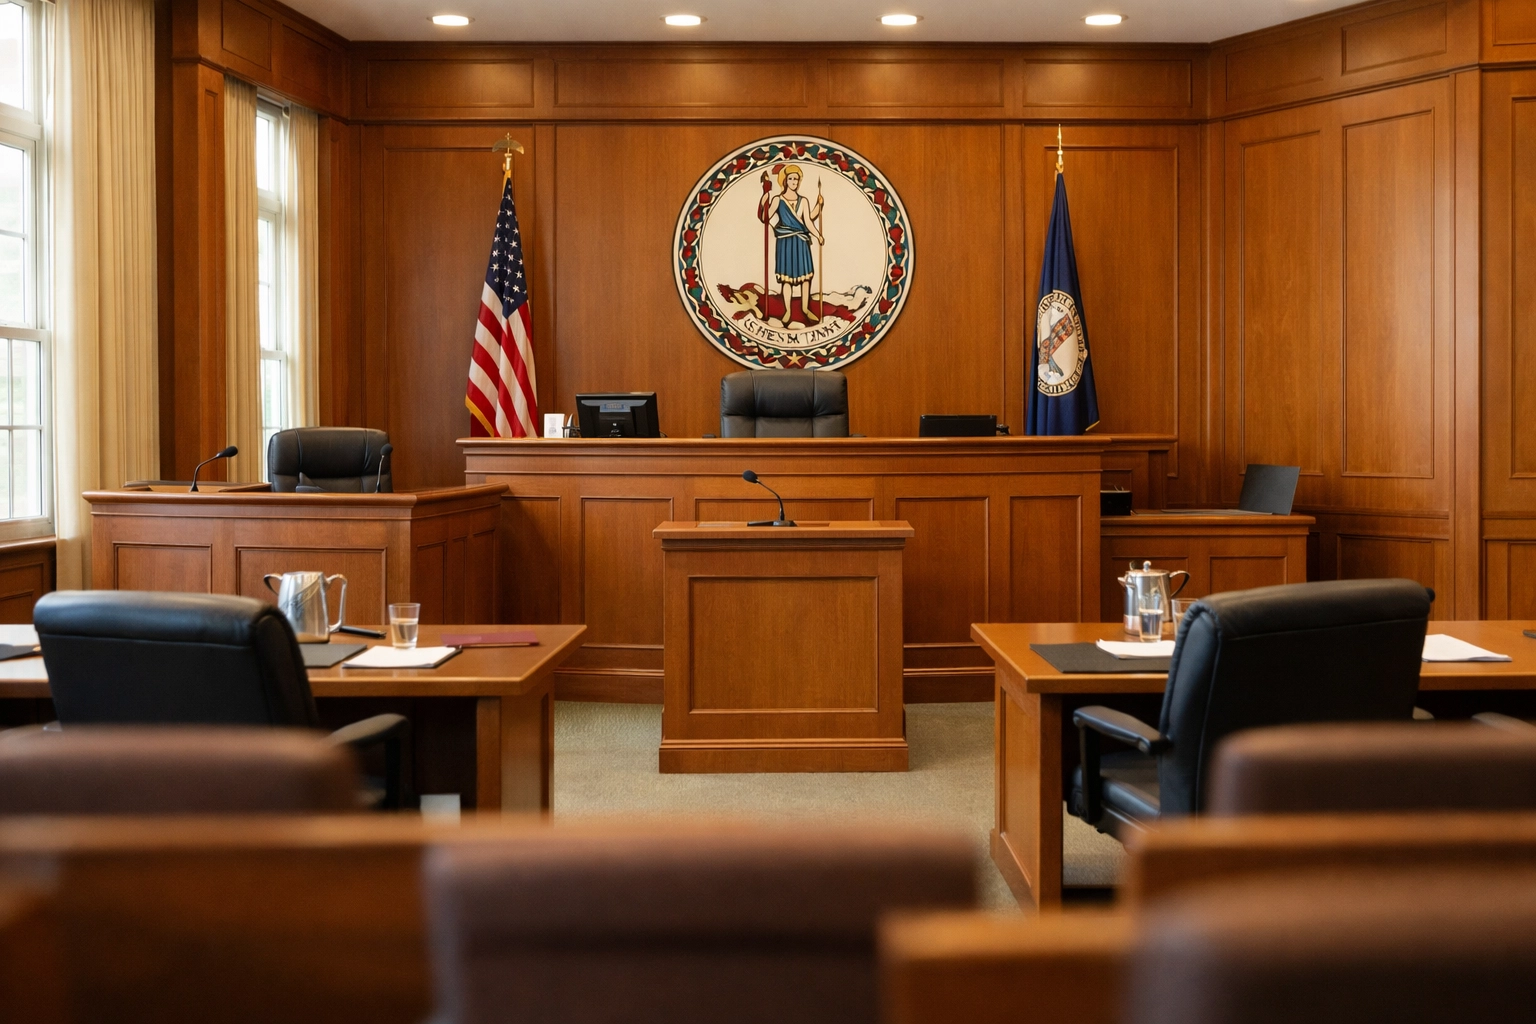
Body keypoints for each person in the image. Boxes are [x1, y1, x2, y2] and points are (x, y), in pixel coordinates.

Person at [758, 165, 824, 326]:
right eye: (791, 179)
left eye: (796, 179)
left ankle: (805, 309)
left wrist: (818, 234)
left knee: (805, 278)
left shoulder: (804, 201)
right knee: (786, 280)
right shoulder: (778, 200)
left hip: (801, 242)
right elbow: (765, 217)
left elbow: (807, 221)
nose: (794, 182)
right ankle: (787, 311)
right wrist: (763, 199)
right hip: (785, 242)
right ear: (785, 181)